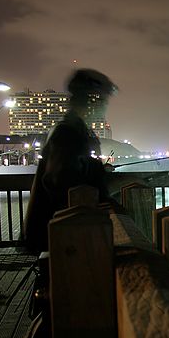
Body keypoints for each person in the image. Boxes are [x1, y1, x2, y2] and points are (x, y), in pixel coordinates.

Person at [22, 68, 118, 252]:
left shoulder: (75, 129)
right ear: (91, 99)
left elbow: (71, 169)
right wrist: (97, 175)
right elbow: (61, 180)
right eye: (102, 99)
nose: (105, 105)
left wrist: (96, 168)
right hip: (63, 230)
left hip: (66, 227)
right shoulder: (67, 132)